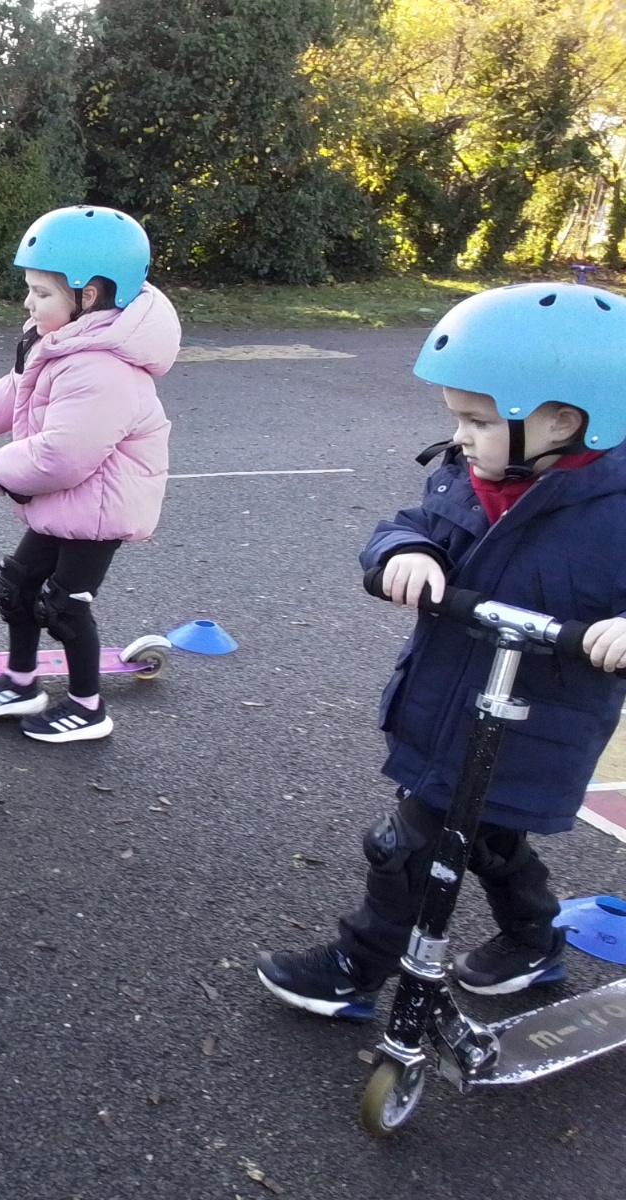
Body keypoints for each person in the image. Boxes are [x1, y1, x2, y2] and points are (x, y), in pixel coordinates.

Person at [256, 281, 626, 1019]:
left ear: (564, 421)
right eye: (456, 417)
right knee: (488, 840)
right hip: (445, 700)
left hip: (537, 724)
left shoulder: (614, 513)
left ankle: (359, 966)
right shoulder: (470, 475)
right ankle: (535, 940)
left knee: (407, 845)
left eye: (478, 420)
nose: (459, 436)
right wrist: (407, 551)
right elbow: (407, 524)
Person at [0, 206, 178, 743]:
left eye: (41, 293)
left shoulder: (105, 369)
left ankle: (88, 708)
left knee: (65, 607)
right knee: (15, 587)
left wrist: (0, 469)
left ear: (88, 297)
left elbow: (64, 454)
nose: (28, 302)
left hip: (101, 508)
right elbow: (17, 389)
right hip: (66, 502)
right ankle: (22, 682)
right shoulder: (59, 341)